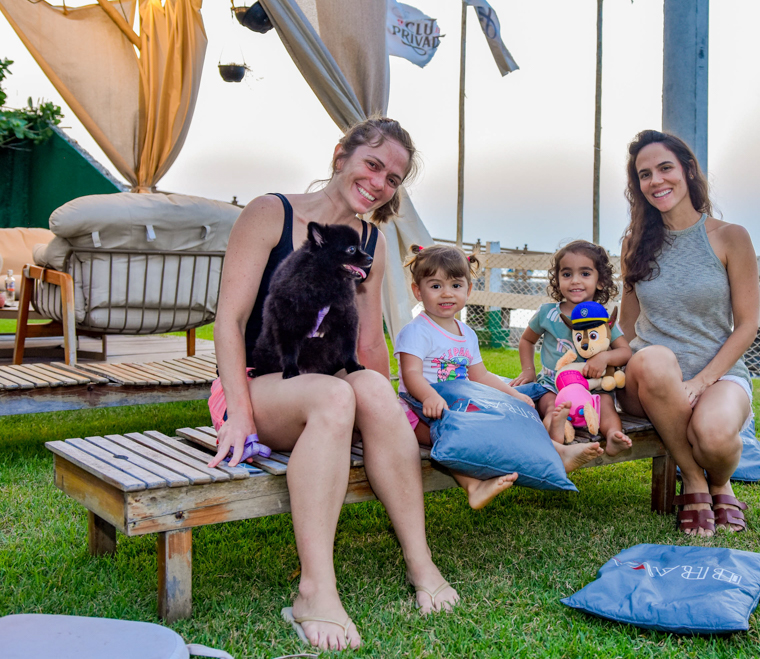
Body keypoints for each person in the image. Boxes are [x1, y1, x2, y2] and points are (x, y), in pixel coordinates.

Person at [207, 115, 458, 652]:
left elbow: (366, 345)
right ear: (342, 154)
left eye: (393, 179)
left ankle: (421, 563)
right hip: (255, 385)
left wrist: (390, 413)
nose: (379, 183)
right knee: (336, 394)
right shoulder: (270, 213)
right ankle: (314, 591)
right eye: (373, 164)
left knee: (368, 389)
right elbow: (229, 319)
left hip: (325, 384)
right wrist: (239, 416)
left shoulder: (372, 242)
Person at [616, 130, 760, 537]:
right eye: (645, 174)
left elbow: (747, 324)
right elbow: (626, 325)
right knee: (655, 359)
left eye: (665, 168)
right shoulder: (634, 245)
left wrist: (702, 381)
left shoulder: (731, 237)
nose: (656, 181)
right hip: (648, 381)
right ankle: (696, 481)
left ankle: (721, 482)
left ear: (688, 170)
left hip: (716, 375)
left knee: (715, 438)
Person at [397, 244, 604, 509]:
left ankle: (558, 451)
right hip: (419, 411)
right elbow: (411, 374)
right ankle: (473, 487)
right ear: (418, 291)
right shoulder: (417, 331)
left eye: (456, 285)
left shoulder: (466, 333)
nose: (447, 293)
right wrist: (429, 396)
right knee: (455, 436)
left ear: (468, 290)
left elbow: (481, 376)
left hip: (459, 404)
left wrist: (514, 395)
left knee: (508, 416)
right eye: (436, 286)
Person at [510, 241, 633, 456]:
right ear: (557, 280)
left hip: (592, 388)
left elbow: (625, 351)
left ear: (600, 281)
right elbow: (527, 340)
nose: (575, 280)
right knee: (552, 407)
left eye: (585, 273)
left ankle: (613, 435)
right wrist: (528, 370)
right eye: (567, 274)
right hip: (553, 386)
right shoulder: (547, 313)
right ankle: (556, 430)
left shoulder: (602, 319)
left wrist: (604, 358)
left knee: (606, 405)